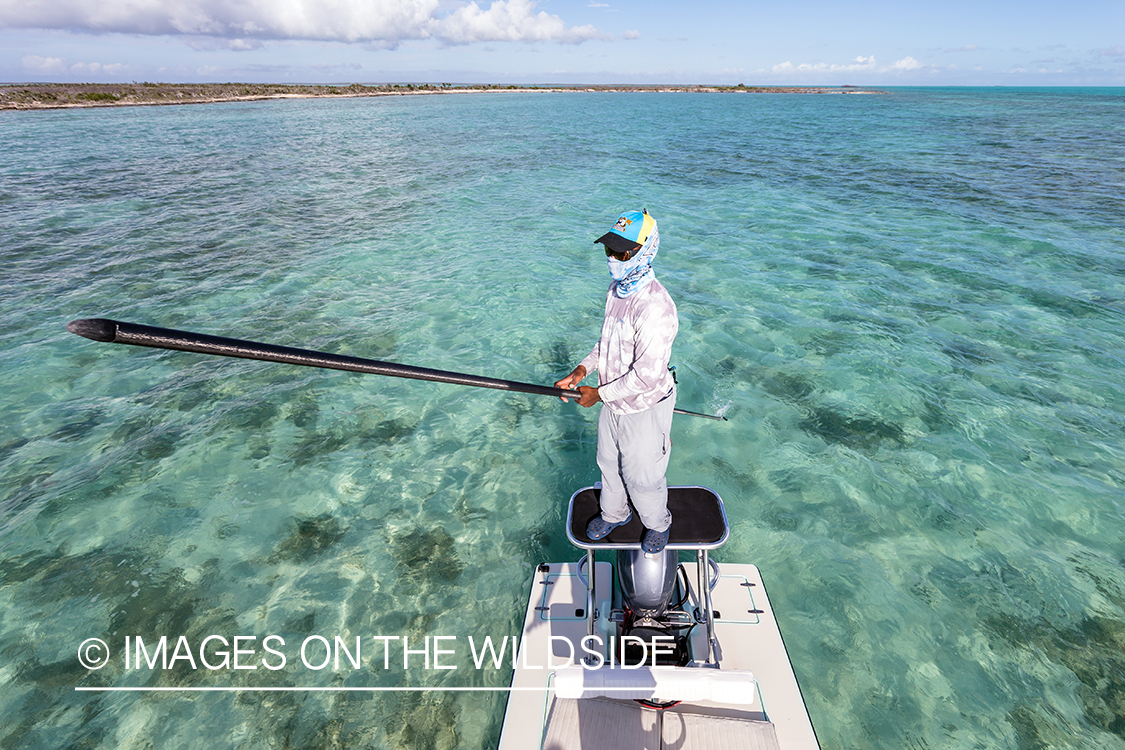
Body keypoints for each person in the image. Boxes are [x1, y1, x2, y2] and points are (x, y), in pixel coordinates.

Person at [554, 209, 679, 553]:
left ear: (646, 251)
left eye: (621, 252)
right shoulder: (617, 290)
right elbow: (606, 343)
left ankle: (658, 523)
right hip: (612, 400)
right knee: (608, 463)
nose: (612, 258)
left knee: (643, 476)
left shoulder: (654, 308)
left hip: (644, 405)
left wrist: (598, 394)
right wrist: (582, 370)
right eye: (609, 249)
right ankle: (615, 513)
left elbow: (647, 375)